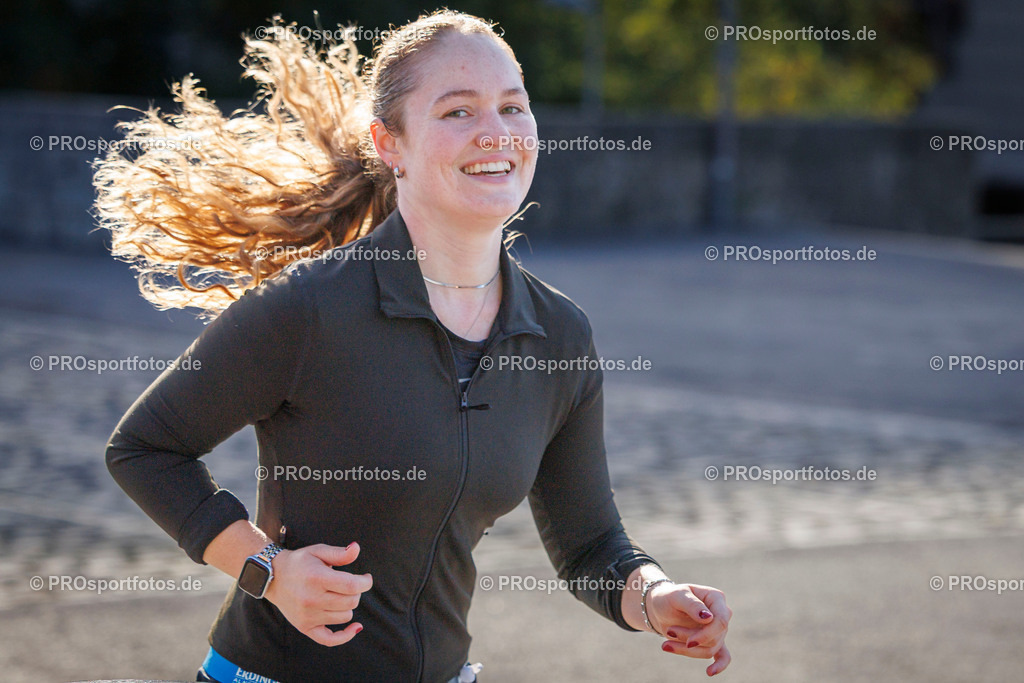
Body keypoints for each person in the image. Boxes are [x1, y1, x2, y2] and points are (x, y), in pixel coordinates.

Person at [95, 10, 732, 682]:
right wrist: (267, 570)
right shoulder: (311, 305)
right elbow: (143, 447)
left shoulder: (560, 336)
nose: (497, 131)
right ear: (389, 143)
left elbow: (592, 546)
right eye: (458, 111)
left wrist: (657, 596)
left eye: (513, 107)